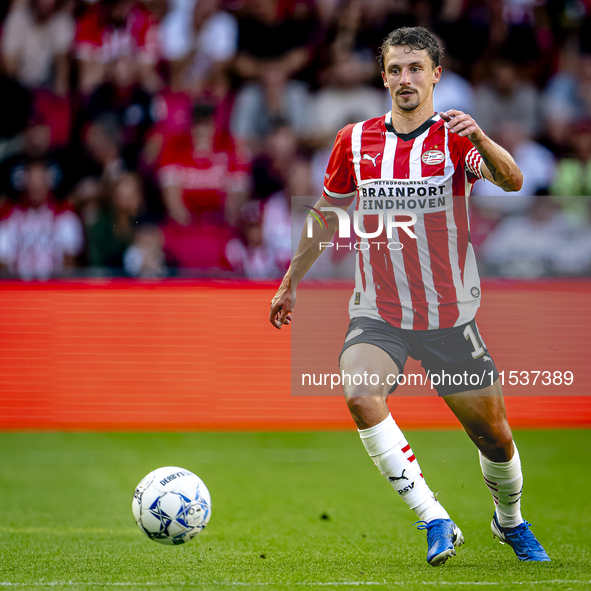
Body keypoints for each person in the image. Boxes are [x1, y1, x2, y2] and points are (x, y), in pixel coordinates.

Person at [269, 27, 550, 566]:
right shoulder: (354, 141)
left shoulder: (455, 138)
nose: (405, 78)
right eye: (395, 69)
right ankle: (435, 518)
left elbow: (513, 182)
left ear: (435, 75)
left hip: (448, 317)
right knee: (360, 394)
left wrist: (484, 139)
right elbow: (327, 216)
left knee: (496, 439)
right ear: (383, 77)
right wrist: (291, 281)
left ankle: (510, 522)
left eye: (416, 68)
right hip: (379, 310)